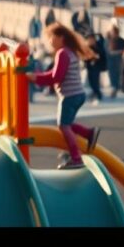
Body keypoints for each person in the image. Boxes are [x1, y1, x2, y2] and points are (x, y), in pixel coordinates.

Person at [27, 23, 101, 170]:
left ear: (61, 37)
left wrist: (36, 79)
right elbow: (56, 75)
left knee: (63, 126)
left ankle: (76, 157)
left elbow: (56, 77)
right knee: (67, 124)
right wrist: (37, 77)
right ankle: (89, 133)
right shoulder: (69, 52)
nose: (50, 42)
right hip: (77, 94)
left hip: (70, 95)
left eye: (51, 38)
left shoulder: (62, 53)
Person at [105, 26, 124, 99]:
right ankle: (114, 88)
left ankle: (116, 87)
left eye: (114, 32)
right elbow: (107, 51)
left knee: (118, 74)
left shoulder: (121, 40)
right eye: (112, 32)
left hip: (118, 60)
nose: (113, 33)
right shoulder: (108, 40)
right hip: (111, 60)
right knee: (112, 74)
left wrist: (119, 52)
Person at [84, 33, 106, 104]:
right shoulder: (87, 47)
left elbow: (101, 54)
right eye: (89, 39)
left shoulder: (98, 46)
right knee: (91, 81)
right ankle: (95, 92)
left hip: (97, 66)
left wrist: (96, 57)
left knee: (95, 81)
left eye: (92, 39)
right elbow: (85, 57)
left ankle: (98, 94)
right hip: (89, 67)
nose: (90, 41)